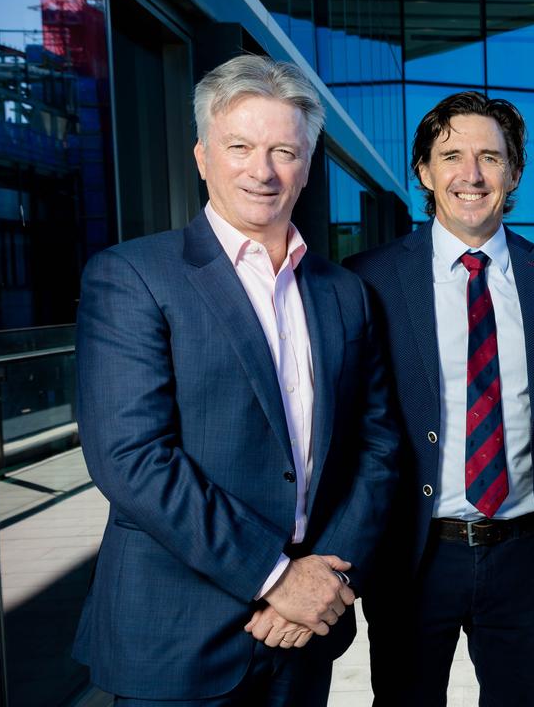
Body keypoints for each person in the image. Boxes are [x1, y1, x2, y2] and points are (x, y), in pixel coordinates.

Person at [73, 55, 400, 704]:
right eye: (241, 146)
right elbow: (131, 459)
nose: (263, 169)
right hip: (177, 640)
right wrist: (276, 576)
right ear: (202, 156)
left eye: (284, 150)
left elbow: (378, 449)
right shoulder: (132, 277)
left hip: (303, 637)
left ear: (307, 166)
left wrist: (322, 584)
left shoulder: (345, 295)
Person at [345, 91, 534, 706]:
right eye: (452, 156)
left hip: (523, 552)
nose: (471, 175)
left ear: (514, 172)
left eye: (489, 157)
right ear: (424, 171)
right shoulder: (369, 280)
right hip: (415, 555)